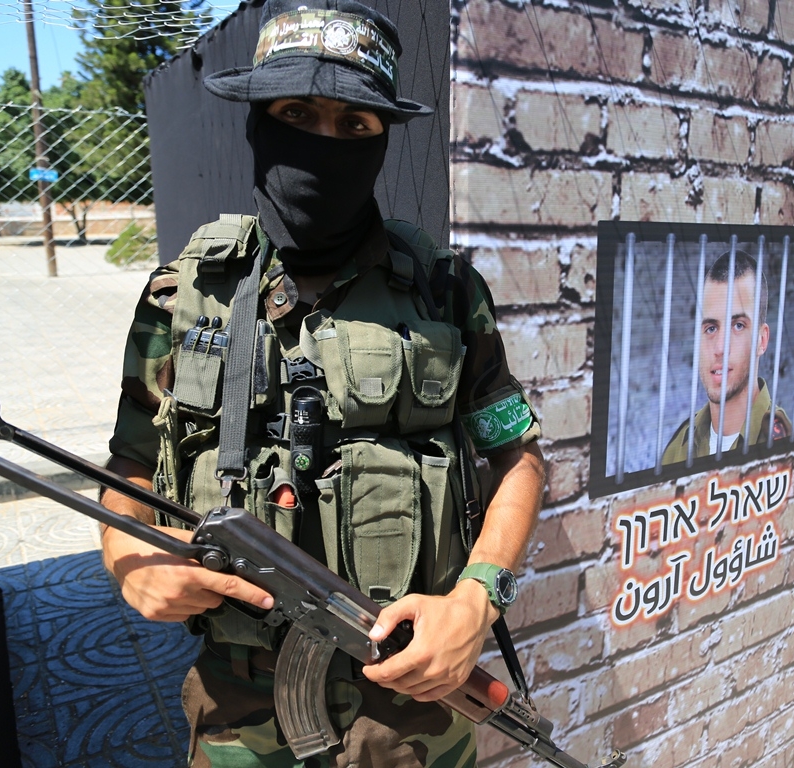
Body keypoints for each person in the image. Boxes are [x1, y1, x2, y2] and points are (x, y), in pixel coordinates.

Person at [97, 1, 545, 765]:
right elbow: (129, 465)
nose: (323, 143)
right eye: (296, 114)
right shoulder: (183, 296)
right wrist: (125, 555)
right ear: (257, 122)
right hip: (238, 714)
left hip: (412, 714)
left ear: (383, 139)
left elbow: (520, 459)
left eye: (354, 124)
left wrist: (479, 599)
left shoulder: (444, 292)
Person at [661, 250, 790, 464]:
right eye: (711, 328)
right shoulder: (678, 449)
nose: (720, 347)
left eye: (738, 326)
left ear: (762, 340)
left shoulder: (781, 445)